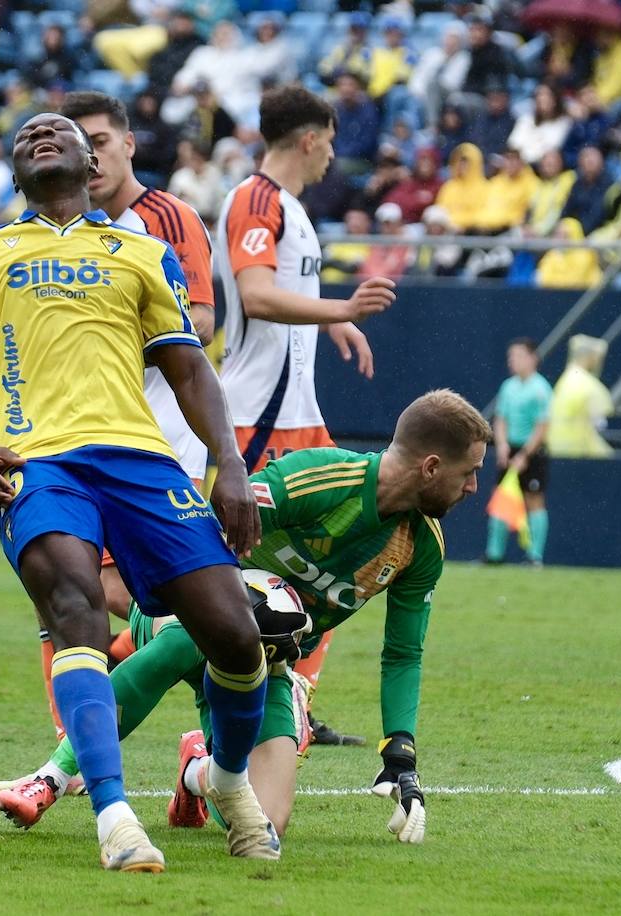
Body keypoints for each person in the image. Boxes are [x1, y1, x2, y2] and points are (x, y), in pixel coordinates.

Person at [0, 111, 279, 872]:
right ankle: (116, 818)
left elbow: (191, 370)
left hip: (142, 464)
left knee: (236, 634)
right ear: (16, 172)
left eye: (57, 130)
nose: (39, 135)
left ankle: (224, 780)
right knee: (77, 611)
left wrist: (231, 466)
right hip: (38, 464)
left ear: (95, 163)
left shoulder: (144, 254)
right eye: (24, 136)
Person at [0, 390, 490, 846]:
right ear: (429, 467)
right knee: (183, 642)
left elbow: (403, 652)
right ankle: (51, 777)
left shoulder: (422, 547)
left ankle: (197, 770)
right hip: (183, 607)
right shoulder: (319, 479)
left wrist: (399, 757)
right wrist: (247, 597)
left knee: (268, 823)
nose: (472, 486)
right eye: (468, 471)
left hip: (267, 664)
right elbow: (204, 534)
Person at [215, 85, 394, 747]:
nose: (331, 159)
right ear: (312, 137)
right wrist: (341, 310)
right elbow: (259, 295)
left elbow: (285, 299)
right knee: (224, 574)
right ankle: (127, 663)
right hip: (257, 420)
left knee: (341, 559)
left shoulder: (290, 207)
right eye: (330, 143)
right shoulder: (257, 199)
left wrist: (329, 328)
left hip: (298, 416)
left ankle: (294, 698)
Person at [486, 340, 551, 564]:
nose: (513, 361)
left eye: (519, 356)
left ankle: (535, 556)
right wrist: (502, 445)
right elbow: (501, 419)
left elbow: (541, 427)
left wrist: (524, 455)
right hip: (510, 448)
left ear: (533, 358)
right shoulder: (508, 387)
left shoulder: (540, 389)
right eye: (511, 356)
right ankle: (494, 555)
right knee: (501, 497)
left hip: (532, 451)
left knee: (534, 500)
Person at [547, 335, 614, 458]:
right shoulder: (588, 384)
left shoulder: (565, 379)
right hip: (577, 448)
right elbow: (600, 421)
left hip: (557, 446)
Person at [507, 82, 571, 168]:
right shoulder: (525, 120)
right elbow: (513, 146)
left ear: (555, 99)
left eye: (547, 95)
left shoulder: (564, 123)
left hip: (545, 169)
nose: (542, 99)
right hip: (522, 169)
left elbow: (551, 149)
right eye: (539, 95)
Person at [560, 145, 610, 235]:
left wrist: (576, 231)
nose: (589, 162)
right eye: (586, 158)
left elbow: (597, 215)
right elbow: (567, 211)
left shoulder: (608, 184)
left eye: (593, 160)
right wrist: (563, 225)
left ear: (602, 162)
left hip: (595, 233)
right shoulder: (577, 184)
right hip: (571, 232)